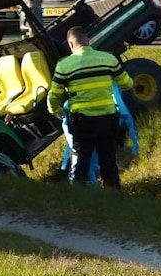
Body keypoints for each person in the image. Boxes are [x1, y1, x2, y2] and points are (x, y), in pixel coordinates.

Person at [47, 26, 133, 188]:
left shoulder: (65, 65)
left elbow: (54, 95)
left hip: (82, 121)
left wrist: (54, 110)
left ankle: (80, 194)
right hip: (107, 118)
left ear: (71, 44)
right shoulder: (108, 59)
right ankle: (112, 190)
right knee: (108, 158)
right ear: (88, 40)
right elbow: (127, 84)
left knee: (82, 158)